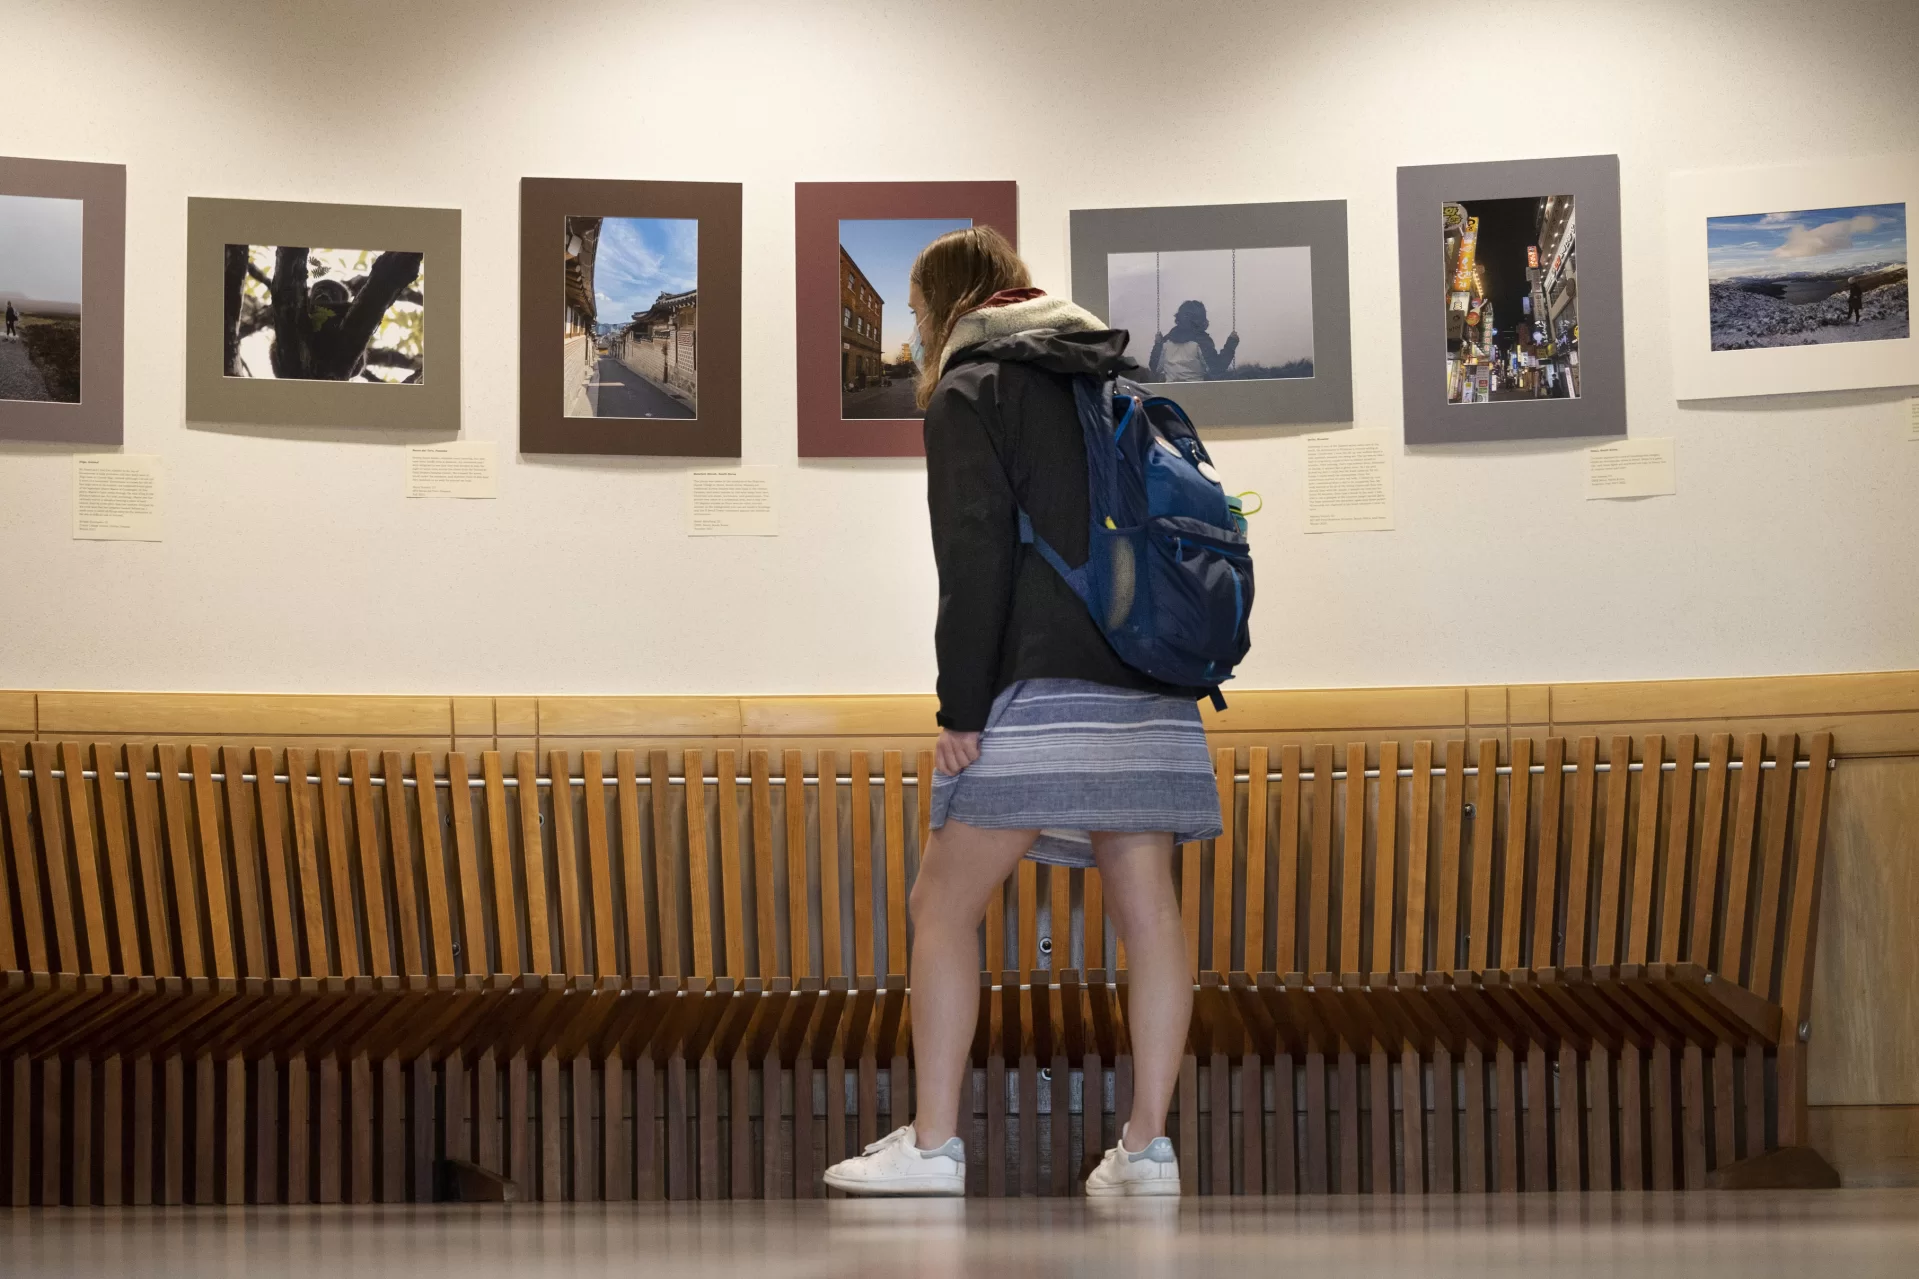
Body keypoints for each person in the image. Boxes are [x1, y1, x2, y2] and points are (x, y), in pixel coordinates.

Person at [821, 226, 1220, 1199]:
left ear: (942, 306)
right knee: (1148, 908)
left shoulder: (971, 387)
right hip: (1150, 679)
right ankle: (1145, 1150)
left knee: (941, 903)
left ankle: (931, 1147)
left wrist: (961, 704)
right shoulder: (1112, 378)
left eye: (918, 314)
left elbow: (975, 559)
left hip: (1040, 684)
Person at [1147, 299, 1237, 382]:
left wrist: (1157, 344)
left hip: (1170, 392)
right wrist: (1231, 344)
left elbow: (1154, 367)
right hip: (1196, 392)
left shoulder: (1166, 341)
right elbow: (1217, 368)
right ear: (1201, 320)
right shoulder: (1201, 340)